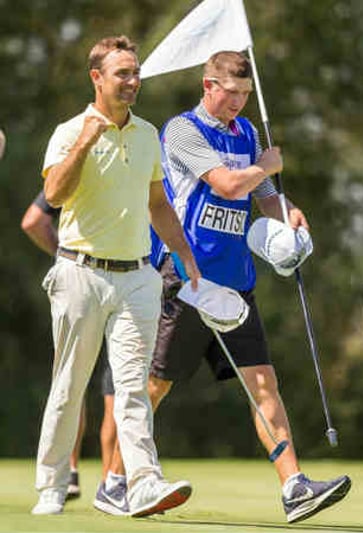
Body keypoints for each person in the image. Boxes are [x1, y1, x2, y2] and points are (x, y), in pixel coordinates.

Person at [104, 50, 348, 524]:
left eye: (245, 95)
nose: (237, 103)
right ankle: (116, 482)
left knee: (264, 385)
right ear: (208, 85)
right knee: (154, 387)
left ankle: (294, 486)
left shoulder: (249, 133)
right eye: (230, 93)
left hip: (237, 283)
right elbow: (227, 185)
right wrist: (269, 166)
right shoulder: (181, 130)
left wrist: (286, 212)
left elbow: (260, 196)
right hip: (187, 279)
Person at [34, 35, 200, 517]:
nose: (132, 81)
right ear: (97, 78)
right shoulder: (69, 131)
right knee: (69, 384)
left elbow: (157, 205)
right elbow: (55, 193)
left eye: (135, 73)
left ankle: (143, 482)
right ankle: (52, 483)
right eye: (122, 73)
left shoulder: (149, 134)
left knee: (133, 389)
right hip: (79, 273)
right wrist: (86, 141)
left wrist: (185, 256)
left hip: (137, 278)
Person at [21, 190, 122, 504]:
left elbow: (33, 222)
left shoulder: (71, 168)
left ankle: (69, 472)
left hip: (78, 283)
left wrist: (63, 254)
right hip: (126, 282)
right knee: (119, 389)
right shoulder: (136, 164)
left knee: (71, 382)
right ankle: (112, 483)